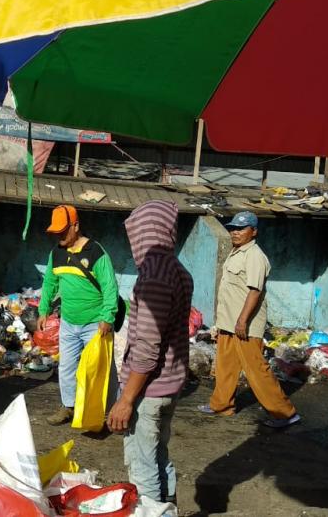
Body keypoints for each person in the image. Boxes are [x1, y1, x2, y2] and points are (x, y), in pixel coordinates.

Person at [107, 201, 193, 504]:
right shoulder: (178, 270)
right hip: (170, 382)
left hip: (150, 388)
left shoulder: (154, 275)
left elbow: (146, 347)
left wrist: (126, 400)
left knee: (143, 468)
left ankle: (155, 512)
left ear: (145, 232)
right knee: (158, 456)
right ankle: (168, 509)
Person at [198, 211, 300, 428]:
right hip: (229, 322)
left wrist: (242, 321)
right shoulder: (236, 252)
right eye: (233, 228)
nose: (235, 232)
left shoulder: (255, 256)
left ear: (254, 232)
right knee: (225, 365)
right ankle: (222, 405)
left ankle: (285, 414)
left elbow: (255, 291)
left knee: (256, 369)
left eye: (241, 229)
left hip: (245, 324)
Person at [37, 204, 119, 426]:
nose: (59, 236)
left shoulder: (96, 252)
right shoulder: (57, 254)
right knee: (66, 367)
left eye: (63, 231)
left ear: (76, 226)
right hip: (69, 322)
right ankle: (69, 407)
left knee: (100, 370)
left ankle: (110, 413)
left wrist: (107, 318)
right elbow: (50, 283)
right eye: (56, 232)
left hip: (95, 324)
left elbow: (110, 287)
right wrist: (43, 310)